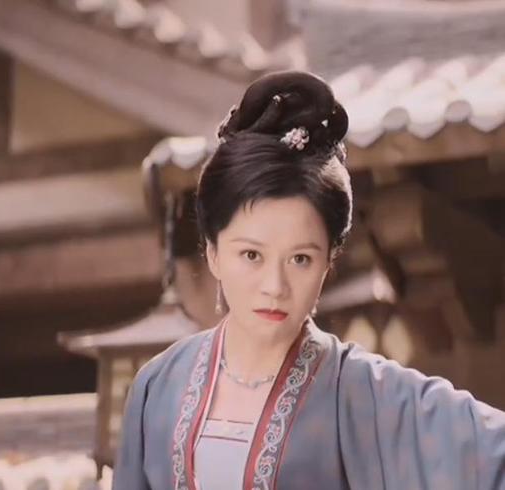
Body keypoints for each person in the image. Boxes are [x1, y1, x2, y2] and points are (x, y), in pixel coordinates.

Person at [111, 71, 505, 490]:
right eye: (251, 255)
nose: (275, 285)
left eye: (300, 259)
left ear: (328, 262)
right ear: (213, 252)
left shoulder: (362, 392)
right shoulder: (158, 387)